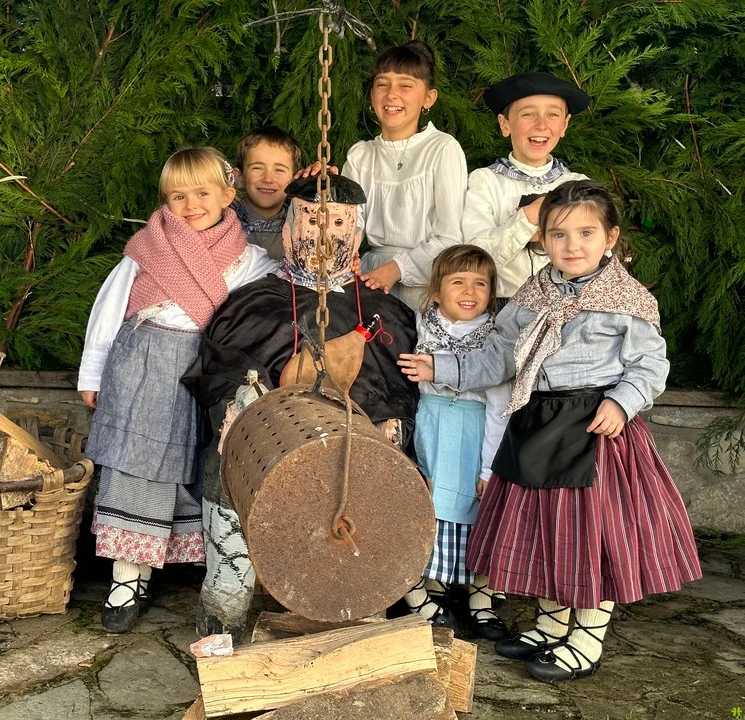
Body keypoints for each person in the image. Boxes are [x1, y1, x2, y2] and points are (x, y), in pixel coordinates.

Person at [398, 180, 701, 682]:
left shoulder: (627, 300)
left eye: (586, 233)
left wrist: (622, 402)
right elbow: (500, 356)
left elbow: (650, 365)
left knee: (589, 537)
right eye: (559, 234)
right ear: (542, 239)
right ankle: (552, 622)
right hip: (537, 421)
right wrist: (443, 368)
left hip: (594, 428)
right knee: (548, 532)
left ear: (611, 237)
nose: (572, 245)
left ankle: (586, 636)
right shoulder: (533, 294)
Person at [182, 173, 419, 640]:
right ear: (288, 231)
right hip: (265, 447)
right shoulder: (251, 303)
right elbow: (221, 371)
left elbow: (399, 387)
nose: (324, 233)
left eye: (337, 222)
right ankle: (225, 601)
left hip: (354, 453)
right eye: (311, 220)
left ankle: (358, 605)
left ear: (356, 234)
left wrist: (390, 425)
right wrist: (239, 405)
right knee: (227, 456)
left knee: (380, 472)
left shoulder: (385, 311)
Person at [77, 146, 277, 634]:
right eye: (178, 196)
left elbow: (273, 302)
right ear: (165, 201)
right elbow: (108, 310)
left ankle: (191, 565)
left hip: (203, 371)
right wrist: (92, 373)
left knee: (196, 464)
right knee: (136, 463)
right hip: (141, 364)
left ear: (227, 195)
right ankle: (127, 578)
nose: (191, 205)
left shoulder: (250, 259)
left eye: (202, 193)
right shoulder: (147, 249)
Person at [401, 245, 510, 642]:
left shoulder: (496, 338)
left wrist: (489, 468)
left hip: (474, 431)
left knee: (477, 513)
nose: (469, 291)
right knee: (429, 509)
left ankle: (482, 600)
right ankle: (431, 591)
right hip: (431, 427)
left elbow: (500, 407)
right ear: (435, 290)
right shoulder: (419, 326)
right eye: (458, 282)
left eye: (480, 283)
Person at [326, 40, 467, 308]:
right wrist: (346, 253)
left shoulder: (442, 148)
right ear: (372, 94)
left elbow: (450, 237)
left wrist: (396, 269)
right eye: (382, 84)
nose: (391, 95)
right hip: (370, 276)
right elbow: (349, 225)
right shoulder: (361, 155)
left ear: (428, 98)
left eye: (405, 85)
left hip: (425, 280)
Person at [462, 71, 590, 300]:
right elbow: (473, 258)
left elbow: (597, 255)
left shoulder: (579, 186)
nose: (541, 125)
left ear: (564, 125)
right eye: (528, 114)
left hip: (568, 307)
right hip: (503, 306)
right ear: (505, 124)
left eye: (552, 114)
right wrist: (527, 220)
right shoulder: (485, 182)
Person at [230, 126, 302, 260]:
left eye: (279, 170)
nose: (268, 179)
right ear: (239, 178)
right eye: (257, 168)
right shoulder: (221, 224)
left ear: (294, 181)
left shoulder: (302, 228)